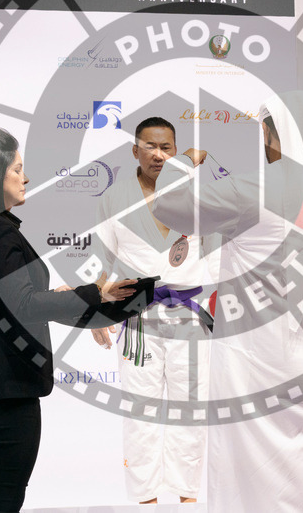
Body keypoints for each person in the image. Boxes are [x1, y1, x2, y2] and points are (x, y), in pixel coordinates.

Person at [151, 92, 303, 513]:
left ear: (274, 134)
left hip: (266, 364)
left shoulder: (258, 188)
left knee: (268, 479)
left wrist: (182, 162)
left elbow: (170, 206)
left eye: (263, 131)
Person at [0, 127, 147, 513]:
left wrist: (80, 304)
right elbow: (25, 307)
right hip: (6, 391)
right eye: (16, 170)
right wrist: (98, 293)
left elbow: (16, 305)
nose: (25, 178)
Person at [90, 116, 214, 504]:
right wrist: (95, 312)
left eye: (167, 148)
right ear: (134, 151)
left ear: (176, 153)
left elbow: (220, 253)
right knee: (140, 412)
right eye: (150, 147)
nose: (158, 155)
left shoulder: (198, 194)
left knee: (190, 408)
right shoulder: (114, 198)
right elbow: (101, 262)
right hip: (139, 317)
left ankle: (187, 497)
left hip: (189, 315)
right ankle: (144, 501)